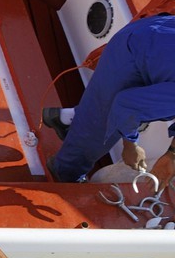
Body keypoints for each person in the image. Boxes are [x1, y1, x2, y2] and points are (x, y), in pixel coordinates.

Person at [45, 14, 175, 184]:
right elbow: (127, 105)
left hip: (155, 36)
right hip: (131, 52)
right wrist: (130, 146)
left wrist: (171, 154)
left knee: (102, 111)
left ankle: (67, 118)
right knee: (101, 127)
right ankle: (64, 171)